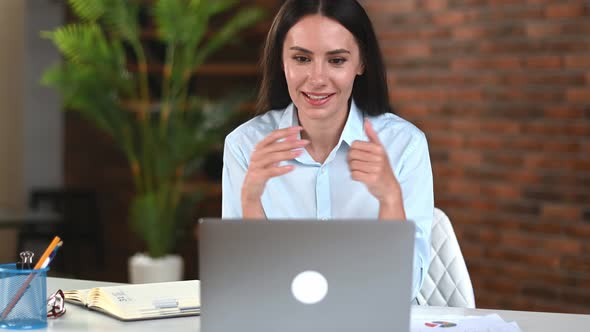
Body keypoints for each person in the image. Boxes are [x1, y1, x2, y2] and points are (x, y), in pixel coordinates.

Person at [221, 0, 433, 302]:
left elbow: (400, 293)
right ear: (282, 61)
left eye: (336, 61)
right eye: (301, 59)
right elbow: (249, 288)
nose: (317, 78)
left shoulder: (405, 145)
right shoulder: (245, 146)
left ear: (361, 63)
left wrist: (390, 197)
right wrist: (251, 200)